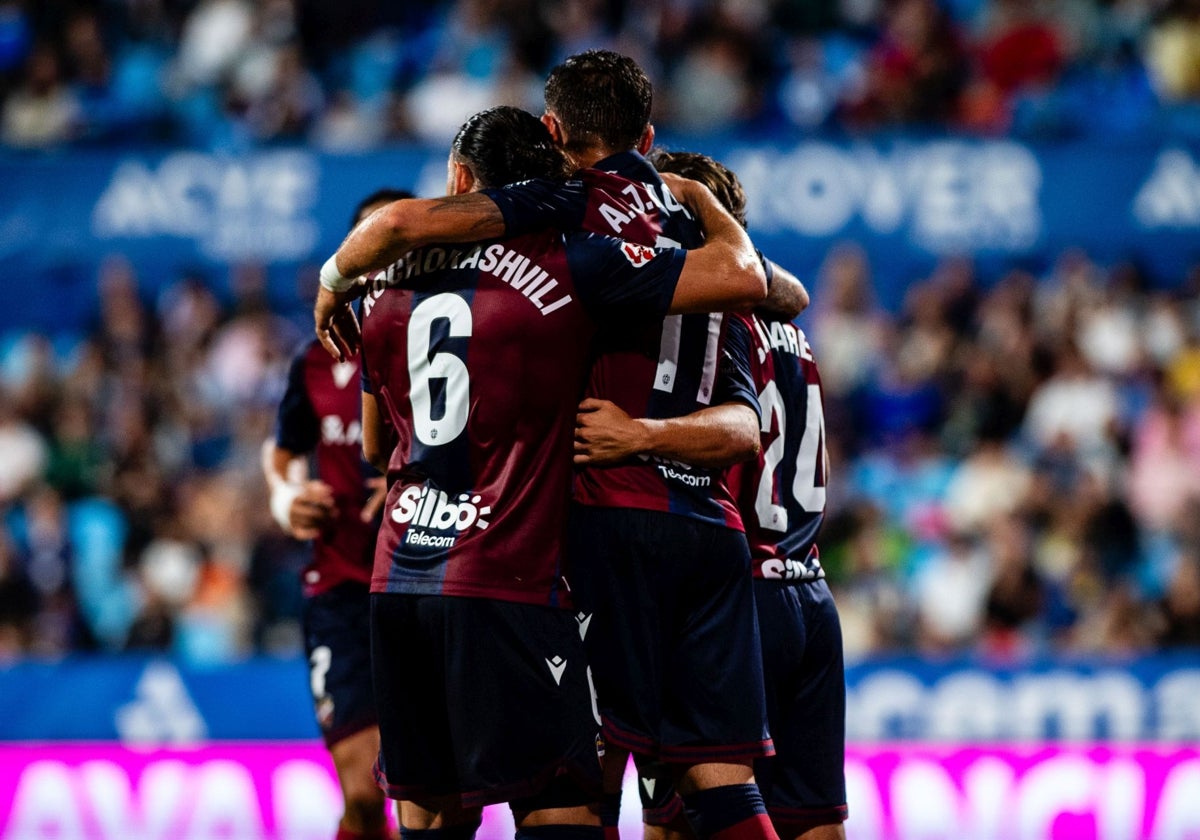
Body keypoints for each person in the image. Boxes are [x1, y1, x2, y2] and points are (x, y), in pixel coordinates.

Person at [324, 105, 767, 840]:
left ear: (461, 178)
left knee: (431, 812)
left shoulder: (381, 286)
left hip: (398, 580)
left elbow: (376, 447)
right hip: (505, 577)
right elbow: (748, 282)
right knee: (565, 806)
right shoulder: (569, 267)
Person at [576, 150, 848, 840]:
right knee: (814, 820)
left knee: (676, 816)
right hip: (810, 590)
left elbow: (736, 434)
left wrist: (636, 435)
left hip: (733, 591)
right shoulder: (792, 331)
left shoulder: (710, 325)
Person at [264, 188, 411, 840]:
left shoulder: (458, 339)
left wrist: (413, 481)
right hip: (342, 590)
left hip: (426, 588)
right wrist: (285, 497)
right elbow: (283, 449)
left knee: (429, 797)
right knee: (360, 792)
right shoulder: (316, 359)